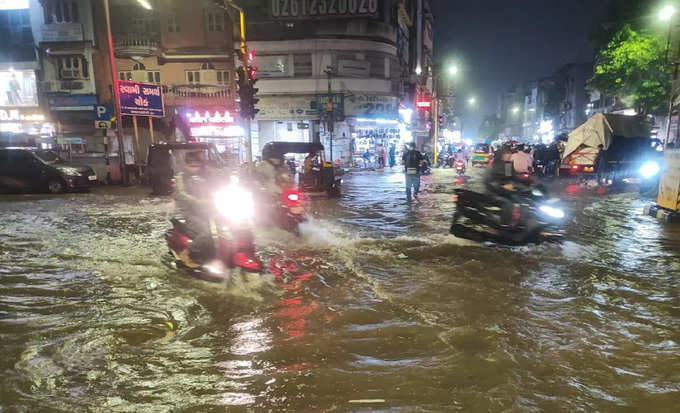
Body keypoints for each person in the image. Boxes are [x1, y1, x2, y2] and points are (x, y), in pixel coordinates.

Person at [174, 151, 215, 267]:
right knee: (208, 233)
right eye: (192, 166)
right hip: (189, 212)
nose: (195, 168)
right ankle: (186, 253)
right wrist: (198, 201)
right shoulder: (181, 178)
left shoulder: (205, 176)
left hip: (208, 211)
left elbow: (216, 188)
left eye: (197, 165)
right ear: (185, 165)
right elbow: (181, 194)